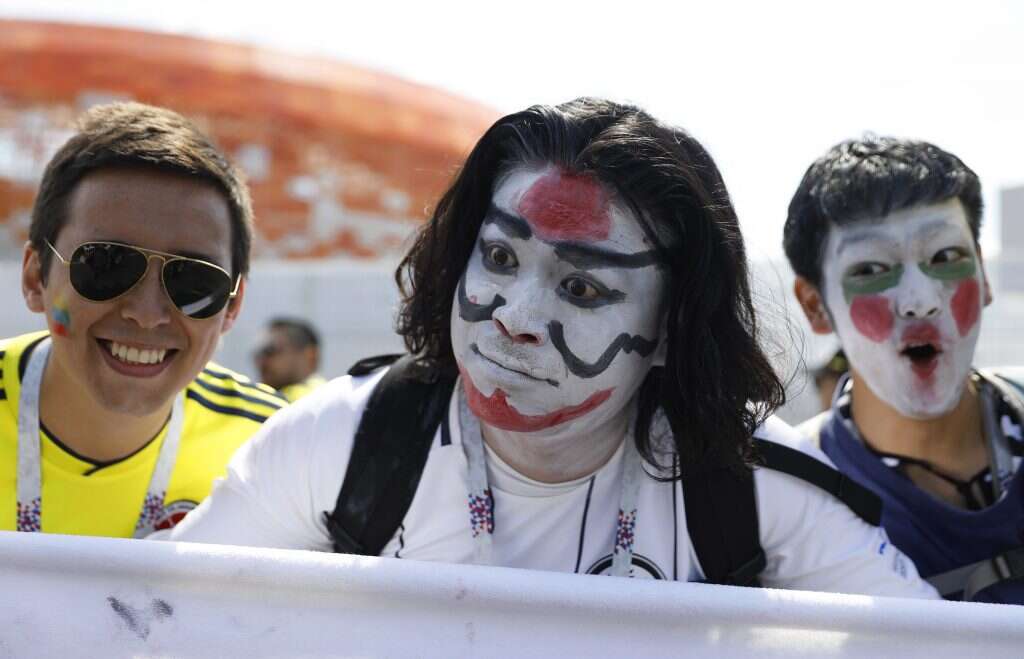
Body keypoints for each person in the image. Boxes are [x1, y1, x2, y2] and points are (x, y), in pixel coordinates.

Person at [174, 99, 934, 597]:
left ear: (670, 329)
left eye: (583, 289)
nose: (516, 317)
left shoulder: (746, 479)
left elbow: (936, 646)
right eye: (500, 260)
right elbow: (154, 622)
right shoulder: (340, 442)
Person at [0, 102, 286, 538]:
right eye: (106, 265)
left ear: (232, 305)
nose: (147, 314)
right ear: (36, 277)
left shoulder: (276, 452)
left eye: (194, 281)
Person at [785, 136, 1024, 603]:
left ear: (984, 274)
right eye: (872, 269)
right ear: (815, 305)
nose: (920, 301)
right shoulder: (795, 502)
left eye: (945, 259)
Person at [253, 317, 326, 402]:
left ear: (310, 356)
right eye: (260, 353)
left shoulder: (309, 399)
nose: (261, 361)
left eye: (270, 351)